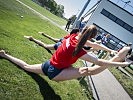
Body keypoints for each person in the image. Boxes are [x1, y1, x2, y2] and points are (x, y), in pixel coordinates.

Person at [0, 25, 132, 82]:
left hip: (51, 64)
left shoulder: (74, 35)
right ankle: (118, 59)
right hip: (55, 71)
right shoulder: (77, 49)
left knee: (26, 66)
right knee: (88, 70)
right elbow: (99, 62)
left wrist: (110, 50)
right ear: (90, 38)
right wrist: (120, 62)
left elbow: (95, 45)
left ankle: (4, 55)